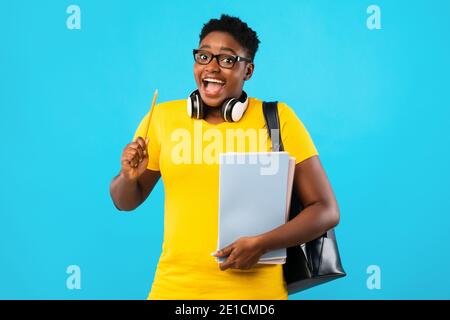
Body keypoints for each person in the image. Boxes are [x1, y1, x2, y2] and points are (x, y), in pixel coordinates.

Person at [109, 14, 340, 300]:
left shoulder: (278, 120)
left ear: (249, 70)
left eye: (227, 60)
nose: (212, 68)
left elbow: (326, 210)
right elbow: (124, 202)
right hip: (174, 289)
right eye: (204, 56)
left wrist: (262, 244)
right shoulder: (162, 119)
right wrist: (127, 177)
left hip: (257, 296)